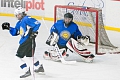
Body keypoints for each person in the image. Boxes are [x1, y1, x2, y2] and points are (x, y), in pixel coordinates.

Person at [1, 7, 44, 78]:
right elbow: (16, 32)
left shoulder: (26, 19)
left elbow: (37, 23)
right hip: (28, 41)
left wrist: (34, 32)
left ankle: (26, 70)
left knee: (17, 57)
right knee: (30, 56)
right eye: (16, 15)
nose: (17, 16)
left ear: (22, 14)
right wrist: (9, 28)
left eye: (18, 15)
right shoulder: (19, 22)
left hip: (26, 41)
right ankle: (39, 66)